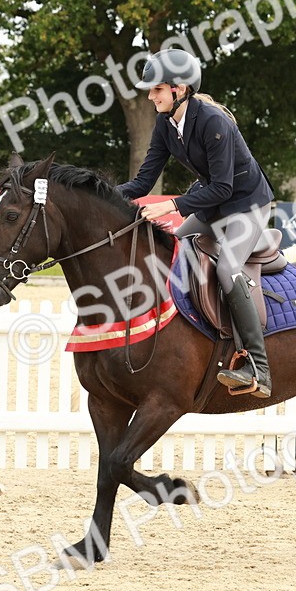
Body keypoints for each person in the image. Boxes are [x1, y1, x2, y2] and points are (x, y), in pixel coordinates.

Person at [116, 49, 275, 398]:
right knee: (174, 250)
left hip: (246, 206)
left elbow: (224, 187)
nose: (150, 96)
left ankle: (259, 368)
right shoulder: (165, 123)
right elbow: (143, 183)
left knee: (227, 269)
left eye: (156, 89)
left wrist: (172, 205)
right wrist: (101, 196)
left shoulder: (213, 122)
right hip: (214, 204)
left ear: (180, 89)